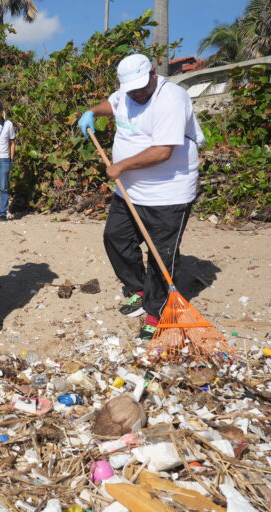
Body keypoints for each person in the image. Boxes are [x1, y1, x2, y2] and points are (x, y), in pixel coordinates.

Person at [77, 53, 205, 341]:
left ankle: (155, 310)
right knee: (116, 238)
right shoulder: (127, 92)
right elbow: (113, 102)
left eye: (140, 86)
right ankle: (138, 289)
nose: (136, 92)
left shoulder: (171, 98)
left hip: (168, 193)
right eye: (130, 88)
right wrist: (93, 112)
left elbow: (163, 151)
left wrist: (120, 166)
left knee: (160, 254)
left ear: (154, 73)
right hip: (128, 190)